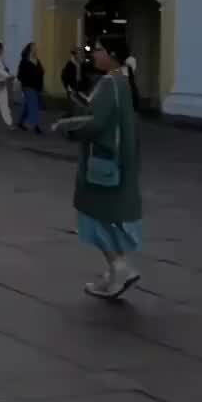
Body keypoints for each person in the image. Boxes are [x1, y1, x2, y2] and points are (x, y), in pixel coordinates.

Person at [55, 41, 141, 300]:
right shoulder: (123, 82)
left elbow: (97, 122)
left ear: (112, 56)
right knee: (109, 215)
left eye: (101, 50)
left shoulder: (109, 84)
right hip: (118, 160)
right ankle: (117, 269)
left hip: (101, 162)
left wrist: (68, 125)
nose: (95, 54)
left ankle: (118, 267)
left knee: (93, 216)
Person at [16, 41, 45, 134]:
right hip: (28, 86)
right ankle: (36, 126)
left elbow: (41, 72)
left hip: (37, 86)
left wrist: (41, 72)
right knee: (34, 105)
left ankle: (20, 122)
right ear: (29, 49)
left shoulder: (37, 60)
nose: (35, 49)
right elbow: (19, 75)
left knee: (28, 106)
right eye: (33, 47)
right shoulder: (24, 61)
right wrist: (26, 80)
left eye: (36, 48)